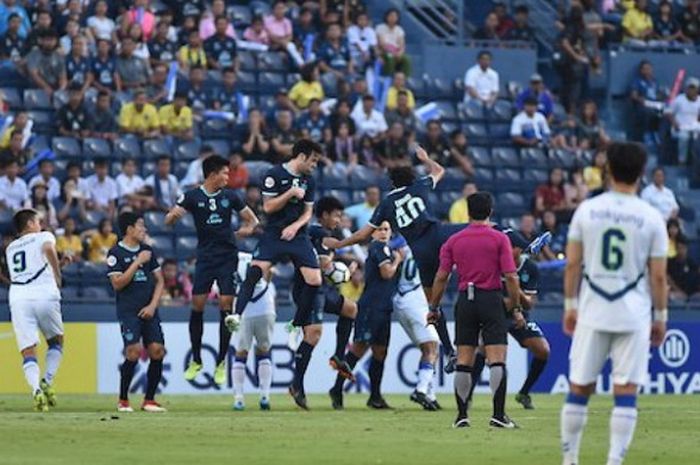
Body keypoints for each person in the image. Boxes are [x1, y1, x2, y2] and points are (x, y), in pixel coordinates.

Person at [560, 142, 668, 465]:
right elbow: (659, 277)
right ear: (642, 173)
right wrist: (660, 316)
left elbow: (572, 265)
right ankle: (614, 461)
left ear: (607, 169)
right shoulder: (651, 217)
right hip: (633, 313)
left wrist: (569, 306)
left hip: (593, 310)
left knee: (579, 388)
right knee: (625, 392)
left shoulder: (587, 210)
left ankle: (570, 460)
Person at [324, 146, 459, 371]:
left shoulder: (386, 204)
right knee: (478, 229)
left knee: (433, 305)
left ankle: (450, 351)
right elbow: (439, 170)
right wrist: (426, 158)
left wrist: (339, 244)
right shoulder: (420, 185)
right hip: (438, 235)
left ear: (392, 183)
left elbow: (362, 234)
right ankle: (502, 236)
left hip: (420, 251)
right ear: (411, 178)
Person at [230, 140, 323, 409]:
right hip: (273, 233)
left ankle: (296, 324)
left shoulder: (309, 180)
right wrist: (289, 193)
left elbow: (308, 212)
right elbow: (268, 208)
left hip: (297, 234)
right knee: (255, 271)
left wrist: (296, 226)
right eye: (313, 160)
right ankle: (237, 314)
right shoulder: (273, 174)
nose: (314, 165)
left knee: (314, 280)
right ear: (302, 156)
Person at [428, 191, 523, 428]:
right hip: (490, 298)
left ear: (468, 212)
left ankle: (462, 416)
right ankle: (498, 416)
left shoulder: (454, 241)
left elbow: (441, 277)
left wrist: (434, 306)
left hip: (465, 300)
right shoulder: (499, 238)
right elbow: (511, 276)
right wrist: (515, 305)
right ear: (490, 211)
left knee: (464, 360)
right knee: (497, 359)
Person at [165, 155, 259, 386]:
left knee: (226, 307)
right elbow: (168, 220)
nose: (228, 177)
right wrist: (172, 217)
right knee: (197, 306)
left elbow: (252, 220)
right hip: (205, 258)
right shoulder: (192, 196)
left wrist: (245, 230)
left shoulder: (231, 196)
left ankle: (219, 362)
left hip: (227, 257)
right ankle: (196, 359)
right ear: (212, 174)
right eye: (224, 173)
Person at [468, 230, 550, 411]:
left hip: (519, 314)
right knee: (483, 348)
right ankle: (468, 395)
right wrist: (515, 307)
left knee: (543, 351)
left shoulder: (530, 268)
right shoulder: (494, 264)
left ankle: (524, 393)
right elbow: (493, 297)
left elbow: (529, 303)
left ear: (517, 249)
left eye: (507, 248)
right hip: (496, 312)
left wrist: (515, 286)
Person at [329, 221, 404, 410]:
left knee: (380, 351)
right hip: (372, 307)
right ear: (372, 233)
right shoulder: (379, 248)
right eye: (379, 229)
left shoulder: (384, 249)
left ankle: (375, 396)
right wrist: (397, 260)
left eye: (387, 229)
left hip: (383, 307)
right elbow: (386, 273)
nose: (384, 233)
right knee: (359, 349)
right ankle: (337, 389)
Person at [6, 209, 66, 411]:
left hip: (19, 297)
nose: (40, 224)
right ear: (31, 223)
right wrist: (58, 275)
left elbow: (30, 270)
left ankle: (36, 392)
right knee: (56, 340)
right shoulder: (44, 236)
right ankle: (47, 380)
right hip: (44, 294)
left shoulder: (10, 247)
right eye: (38, 221)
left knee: (28, 350)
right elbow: (49, 250)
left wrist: (58, 265)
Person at [107, 212, 166, 413]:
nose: (144, 229)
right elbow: (117, 284)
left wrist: (152, 306)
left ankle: (149, 400)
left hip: (149, 309)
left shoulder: (148, 250)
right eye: (141, 225)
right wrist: (137, 262)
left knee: (157, 350)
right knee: (133, 352)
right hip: (129, 311)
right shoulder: (115, 253)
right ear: (129, 229)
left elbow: (160, 281)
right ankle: (123, 400)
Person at [232, 252, 276, 411]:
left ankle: (239, 398)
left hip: (244, 310)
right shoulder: (258, 256)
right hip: (265, 306)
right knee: (264, 351)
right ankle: (265, 396)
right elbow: (270, 273)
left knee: (241, 353)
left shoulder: (231, 259)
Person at [665, 77, 700, 165]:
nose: (692, 91)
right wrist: (674, 123)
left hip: (694, 126)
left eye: (694, 88)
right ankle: (682, 161)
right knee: (684, 137)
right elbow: (668, 112)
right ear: (686, 89)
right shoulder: (679, 99)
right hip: (680, 127)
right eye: (690, 88)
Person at [629, 60, 662, 142]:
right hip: (643, 106)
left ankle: (657, 135)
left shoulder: (655, 81)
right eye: (645, 69)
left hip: (655, 105)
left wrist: (661, 97)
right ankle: (647, 136)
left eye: (649, 68)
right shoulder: (637, 81)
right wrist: (641, 100)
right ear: (641, 70)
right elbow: (633, 95)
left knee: (664, 112)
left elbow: (658, 94)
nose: (647, 71)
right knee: (648, 113)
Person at [375, 8, 410, 76]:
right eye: (391, 16)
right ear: (387, 17)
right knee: (390, 57)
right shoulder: (380, 27)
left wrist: (400, 53)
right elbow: (382, 44)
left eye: (394, 16)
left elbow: (402, 45)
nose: (392, 18)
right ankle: (389, 77)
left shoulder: (399, 30)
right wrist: (392, 52)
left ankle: (405, 79)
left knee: (407, 59)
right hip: (384, 51)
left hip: (396, 52)